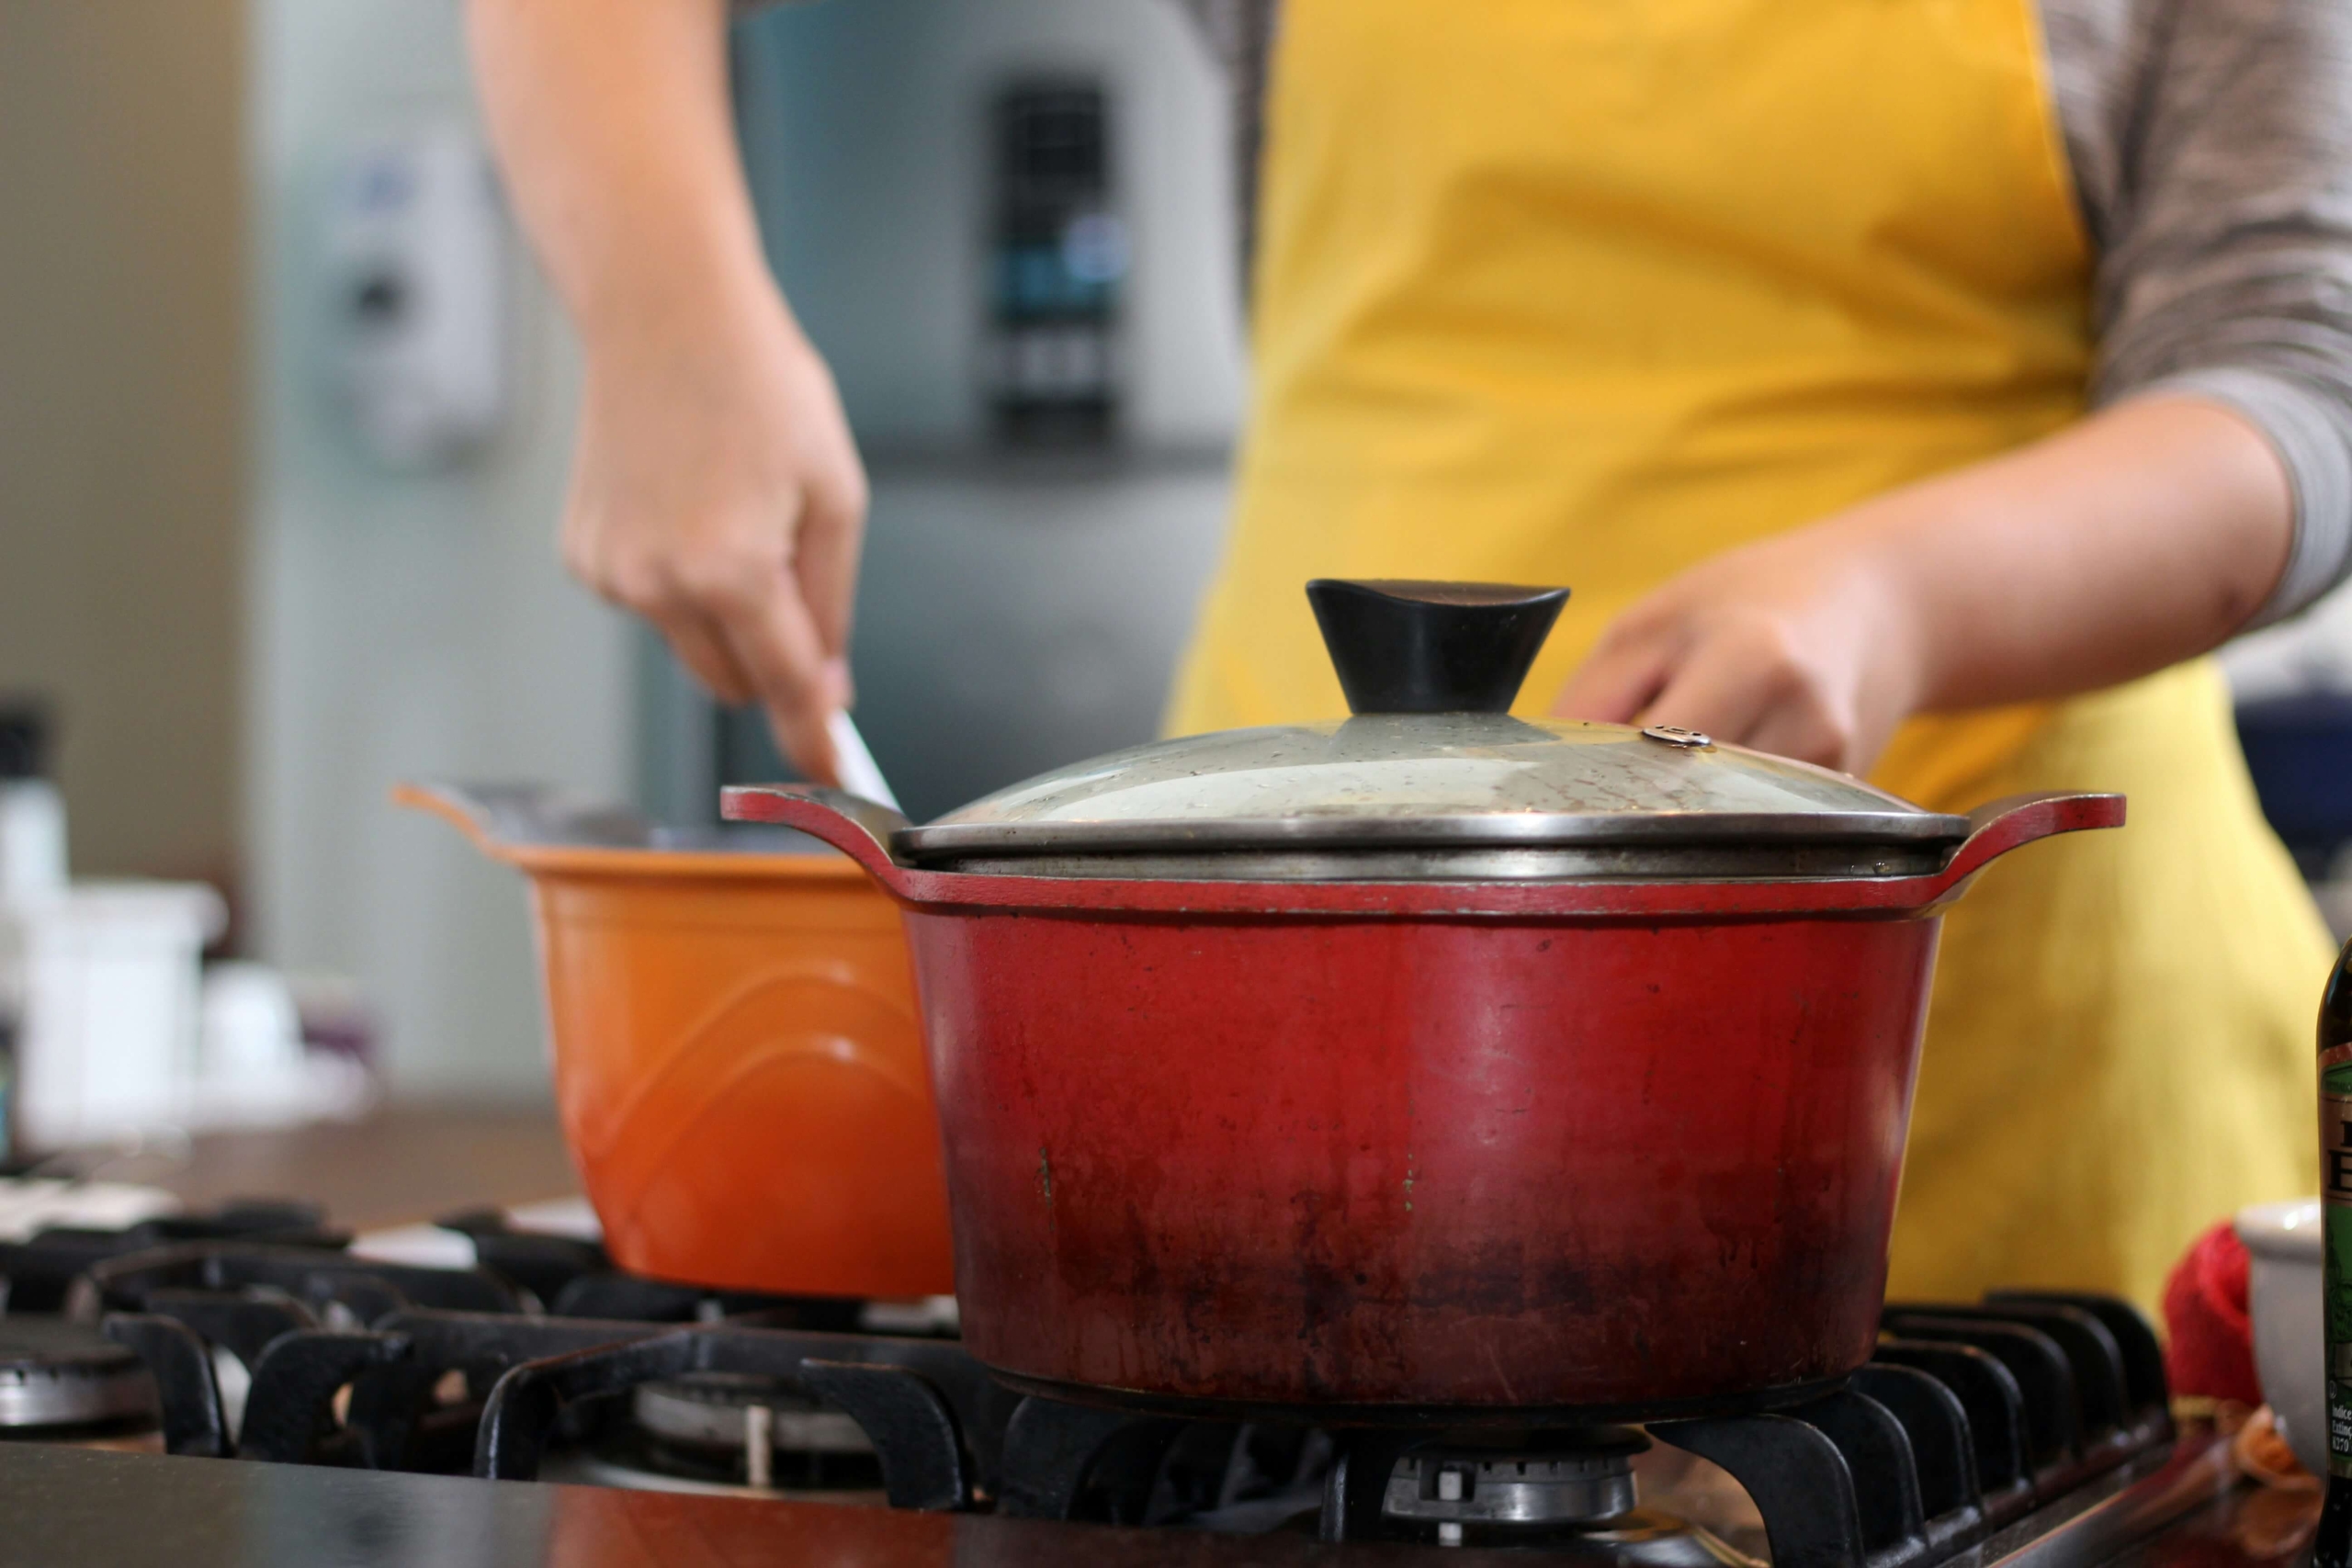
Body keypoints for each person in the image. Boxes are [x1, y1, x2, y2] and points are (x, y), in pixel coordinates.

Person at [469, 0, 2352, 1310]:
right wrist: (661, 314)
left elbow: (2295, 382)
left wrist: (1896, 596)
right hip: (1281, 1031)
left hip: (2005, 1045)